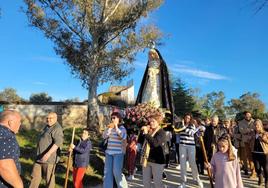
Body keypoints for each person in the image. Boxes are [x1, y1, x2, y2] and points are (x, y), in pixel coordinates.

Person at [135, 47, 174, 123]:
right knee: (147, 95)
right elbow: (146, 76)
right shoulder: (149, 63)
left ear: (156, 54)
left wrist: (156, 72)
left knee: (156, 96)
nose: (151, 55)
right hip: (149, 82)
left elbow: (164, 75)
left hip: (158, 82)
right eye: (150, 54)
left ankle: (157, 114)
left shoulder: (161, 62)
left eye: (153, 53)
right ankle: (146, 112)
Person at [29, 112, 64, 188]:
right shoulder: (47, 126)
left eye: (50, 118)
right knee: (34, 178)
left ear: (55, 118)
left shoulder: (57, 128)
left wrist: (48, 154)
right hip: (39, 157)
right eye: (47, 118)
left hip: (49, 159)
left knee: (49, 180)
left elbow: (58, 143)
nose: (48, 120)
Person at [103, 112, 128, 188]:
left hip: (118, 153)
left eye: (114, 118)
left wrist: (116, 127)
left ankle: (122, 186)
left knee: (117, 172)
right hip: (109, 152)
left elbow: (123, 136)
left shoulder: (122, 128)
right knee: (107, 172)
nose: (112, 119)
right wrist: (109, 129)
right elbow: (104, 136)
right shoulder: (109, 127)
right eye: (112, 118)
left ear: (118, 119)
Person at [140, 114, 166, 188]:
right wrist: (142, 132)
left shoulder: (161, 132)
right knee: (146, 183)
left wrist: (146, 134)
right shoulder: (149, 131)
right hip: (146, 159)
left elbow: (155, 143)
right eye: (150, 122)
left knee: (157, 183)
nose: (151, 123)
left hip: (157, 161)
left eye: (153, 121)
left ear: (158, 122)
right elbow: (140, 141)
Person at [178, 114, 203, 188]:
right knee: (182, 164)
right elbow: (177, 131)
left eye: (189, 118)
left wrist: (198, 129)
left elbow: (191, 133)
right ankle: (183, 182)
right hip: (182, 145)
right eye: (186, 117)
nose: (187, 119)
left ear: (190, 119)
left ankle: (197, 179)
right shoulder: (180, 125)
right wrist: (182, 126)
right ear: (184, 118)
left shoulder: (192, 125)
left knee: (192, 163)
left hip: (191, 146)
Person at [0, 110, 23, 188]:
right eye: (19, 121)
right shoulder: (6, 135)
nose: (20, 124)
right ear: (10, 122)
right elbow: (4, 166)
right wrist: (19, 185)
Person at [239, 111, 256, 178]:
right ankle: (253, 172)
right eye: (246, 115)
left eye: (249, 115)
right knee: (249, 157)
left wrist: (246, 130)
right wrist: (250, 130)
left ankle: (257, 171)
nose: (248, 116)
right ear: (244, 116)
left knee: (255, 157)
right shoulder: (241, 122)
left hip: (254, 141)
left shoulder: (254, 121)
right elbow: (241, 131)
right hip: (246, 142)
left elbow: (256, 129)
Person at [252, 119, 268, 187]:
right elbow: (248, 140)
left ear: (261, 125)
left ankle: (266, 182)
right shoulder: (253, 133)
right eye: (255, 125)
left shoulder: (265, 133)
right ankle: (260, 178)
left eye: (257, 125)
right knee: (257, 169)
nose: (256, 126)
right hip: (255, 153)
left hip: (264, 154)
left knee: (266, 169)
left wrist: (264, 139)